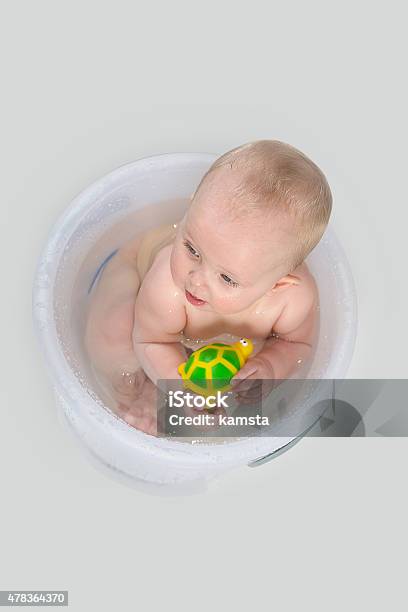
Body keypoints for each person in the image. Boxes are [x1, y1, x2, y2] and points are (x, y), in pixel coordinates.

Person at [85, 140, 332, 435]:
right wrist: (179, 389)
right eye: (192, 248)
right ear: (190, 209)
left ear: (278, 284)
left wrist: (270, 367)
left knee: (255, 357)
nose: (196, 280)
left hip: (206, 343)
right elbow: (152, 342)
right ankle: (135, 395)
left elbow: (296, 345)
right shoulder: (168, 286)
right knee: (115, 332)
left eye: (227, 279)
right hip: (136, 272)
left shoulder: (292, 300)